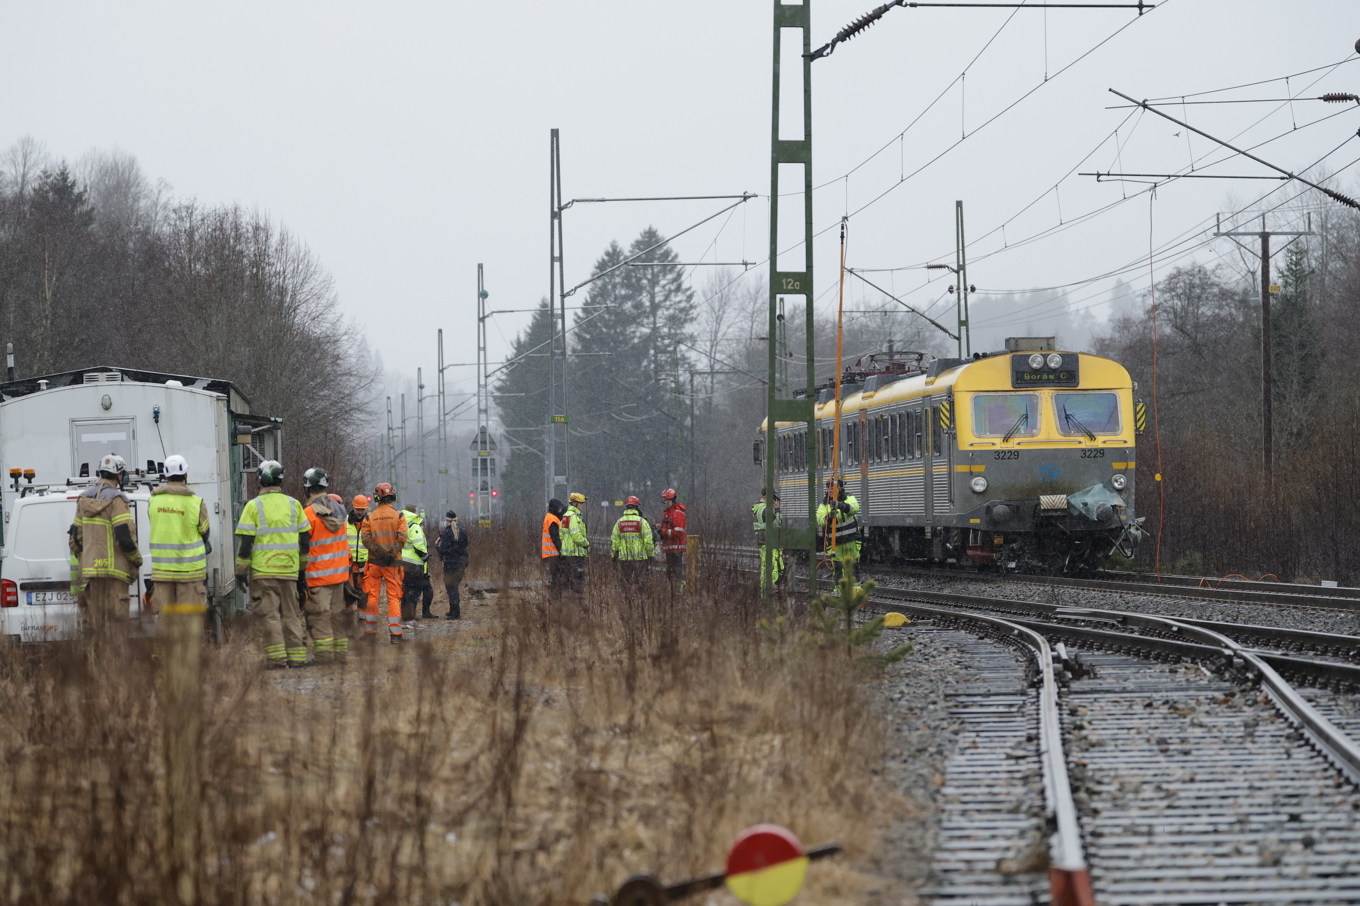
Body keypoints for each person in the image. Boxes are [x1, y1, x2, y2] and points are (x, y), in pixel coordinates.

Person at [235, 460, 311, 668]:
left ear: (260, 479)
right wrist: (302, 571)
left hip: (263, 573)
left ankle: (277, 659)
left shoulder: (253, 506)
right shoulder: (294, 504)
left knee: (270, 616)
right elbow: (305, 540)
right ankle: (296, 657)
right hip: (289, 571)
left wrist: (241, 571)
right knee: (291, 614)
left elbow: (246, 543)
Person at [69, 453, 142, 646]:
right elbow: (124, 537)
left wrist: (87, 558)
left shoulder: (83, 500)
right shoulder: (118, 500)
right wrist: (136, 560)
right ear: (120, 476)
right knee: (116, 632)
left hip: (89, 578)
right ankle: (114, 673)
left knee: (94, 631)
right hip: (115, 577)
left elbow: (75, 538)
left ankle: (94, 672)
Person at [146, 453, 211, 626]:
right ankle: (188, 654)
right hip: (190, 572)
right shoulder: (196, 503)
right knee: (190, 621)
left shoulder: (153, 501)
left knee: (165, 621)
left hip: (162, 572)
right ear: (186, 475)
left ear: (166, 475)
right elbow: (205, 532)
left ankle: (163, 654)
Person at [301, 469, 351, 663]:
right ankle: (340, 656)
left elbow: (303, 547)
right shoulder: (339, 510)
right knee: (337, 617)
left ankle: (322, 657)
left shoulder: (308, 514)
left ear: (308, 488)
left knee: (319, 618)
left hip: (317, 577)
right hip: (340, 576)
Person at [360, 483, 407, 643]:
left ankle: (369, 634)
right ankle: (395, 636)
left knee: (372, 597)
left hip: (374, 562)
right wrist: (390, 554)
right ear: (391, 496)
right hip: (392, 564)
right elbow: (402, 538)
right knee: (393, 598)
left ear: (377, 497)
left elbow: (366, 539)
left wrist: (379, 553)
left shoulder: (369, 517)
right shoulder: (399, 516)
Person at [817, 477, 861, 581]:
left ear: (840, 488)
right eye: (829, 488)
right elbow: (820, 520)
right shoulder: (824, 504)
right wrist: (828, 516)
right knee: (838, 569)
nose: (831, 490)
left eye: (834, 487)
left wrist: (841, 506)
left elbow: (854, 508)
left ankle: (855, 591)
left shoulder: (849, 498)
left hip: (851, 541)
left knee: (853, 569)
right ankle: (839, 591)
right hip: (835, 544)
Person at [611, 495, 654, 595]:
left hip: (624, 558)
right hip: (639, 558)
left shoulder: (619, 522)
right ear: (637, 507)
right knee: (640, 581)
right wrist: (651, 555)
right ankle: (639, 599)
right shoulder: (642, 522)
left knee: (625, 582)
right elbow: (648, 541)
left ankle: (626, 599)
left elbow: (614, 541)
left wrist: (614, 556)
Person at [434, 510, 471, 619]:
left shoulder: (446, 533)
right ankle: (453, 610)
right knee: (455, 587)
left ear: (447, 520)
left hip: (450, 563)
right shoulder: (463, 531)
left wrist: (437, 545)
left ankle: (455, 613)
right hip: (461, 562)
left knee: (451, 588)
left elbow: (443, 550)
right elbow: (465, 546)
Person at [399, 504, 433, 621]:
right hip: (414, 565)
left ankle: (404, 615)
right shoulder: (414, 526)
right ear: (414, 512)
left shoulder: (401, 524)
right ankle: (410, 617)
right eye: (417, 511)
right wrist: (425, 556)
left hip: (403, 563)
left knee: (406, 590)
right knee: (414, 592)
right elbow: (418, 544)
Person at [752, 488, 784, 590]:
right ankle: (771, 589)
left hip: (763, 541)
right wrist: (777, 510)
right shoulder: (766, 510)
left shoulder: (758, 508)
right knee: (772, 567)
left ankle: (764, 590)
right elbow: (777, 523)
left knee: (765, 568)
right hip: (769, 541)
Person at [559, 491, 590, 593]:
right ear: (575, 503)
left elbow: (561, 534)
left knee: (568, 578)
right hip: (575, 553)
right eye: (581, 503)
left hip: (567, 553)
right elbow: (576, 536)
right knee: (577, 579)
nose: (583, 505)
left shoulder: (566, 516)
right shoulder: (574, 517)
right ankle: (576, 600)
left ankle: (568, 601)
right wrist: (586, 544)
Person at [657, 488, 687, 591]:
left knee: (677, 571)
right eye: (665, 501)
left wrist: (663, 532)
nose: (666, 503)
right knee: (670, 572)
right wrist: (660, 528)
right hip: (670, 548)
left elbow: (679, 532)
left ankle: (680, 590)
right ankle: (673, 590)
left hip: (676, 548)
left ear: (673, 500)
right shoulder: (668, 513)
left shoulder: (677, 513)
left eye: (668, 500)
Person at [346, 494, 370, 620]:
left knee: (363, 593)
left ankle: (362, 619)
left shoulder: (370, 523)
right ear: (353, 507)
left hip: (364, 564)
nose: (360, 512)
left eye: (362, 509)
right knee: (348, 593)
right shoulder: (345, 522)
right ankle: (348, 621)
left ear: (366, 508)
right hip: (348, 564)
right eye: (358, 509)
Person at [540, 498, 566, 591]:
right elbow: (556, 538)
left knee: (555, 578)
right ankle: (556, 599)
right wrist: (562, 551)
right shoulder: (552, 519)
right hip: (553, 553)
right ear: (555, 508)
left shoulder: (549, 517)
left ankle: (555, 598)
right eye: (559, 508)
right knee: (557, 578)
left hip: (550, 553)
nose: (561, 510)